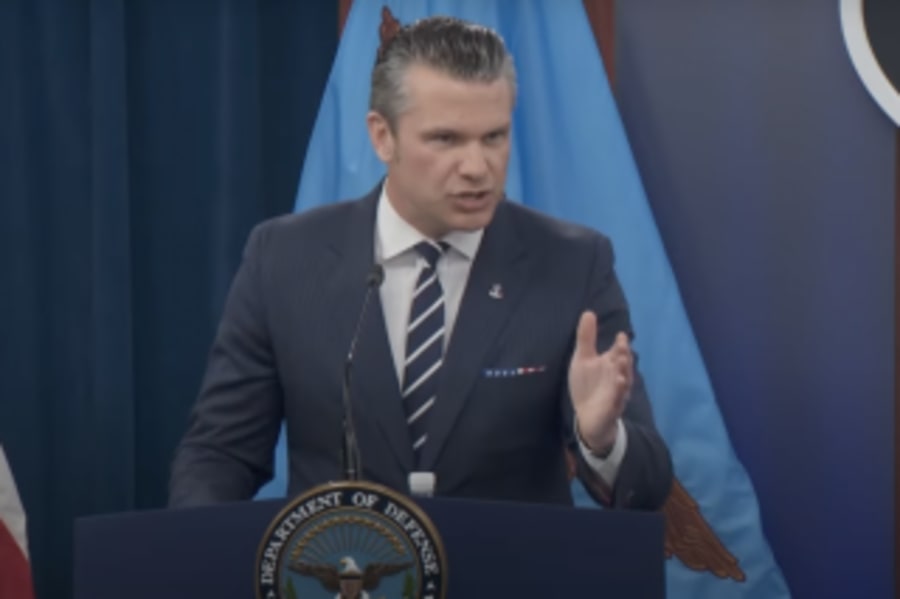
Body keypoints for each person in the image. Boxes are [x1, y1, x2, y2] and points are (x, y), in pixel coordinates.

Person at [169, 15, 672, 510]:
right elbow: (221, 455)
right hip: (343, 561)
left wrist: (602, 439)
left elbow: (648, 487)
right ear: (382, 136)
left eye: (493, 137)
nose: (477, 167)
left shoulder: (571, 263)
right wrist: (196, 551)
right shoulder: (283, 259)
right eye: (446, 139)